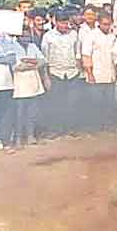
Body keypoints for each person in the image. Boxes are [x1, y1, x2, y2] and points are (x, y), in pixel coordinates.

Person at [41, 10, 82, 138]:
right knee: (56, 103)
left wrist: (79, 69)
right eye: (62, 23)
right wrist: (46, 77)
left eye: (66, 23)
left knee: (72, 103)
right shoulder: (48, 36)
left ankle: (70, 128)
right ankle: (55, 129)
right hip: (55, 72)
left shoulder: (74, 34)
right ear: (56, 22)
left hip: (72, 72)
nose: (65, 26)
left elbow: (77, 53)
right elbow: (44, 58)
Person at [11, 29, 48, 148]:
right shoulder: (12, 47)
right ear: (18, 36)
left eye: (27, 36)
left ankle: (30, 135)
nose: (25, 38)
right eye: (23, 36)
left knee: (32, 112)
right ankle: (18, 138)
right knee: (19, 114)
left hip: (34, 83)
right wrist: (33, 63)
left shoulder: (33, 46)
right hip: (19, 85)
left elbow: (43, 61)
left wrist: (29, 61)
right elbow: (17, 67)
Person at [81, 11, 117, 131]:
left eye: (108, 24)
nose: (106, 27)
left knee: (109, 102)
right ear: (99, 23)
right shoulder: (91, 36)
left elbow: (115, 56)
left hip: (109, 74)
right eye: (104, 24)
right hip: (95, 74)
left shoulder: (112, 37)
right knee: (95, 103)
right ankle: (95, 126)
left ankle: (108, 126)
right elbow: (86, 56)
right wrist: (90, 74)